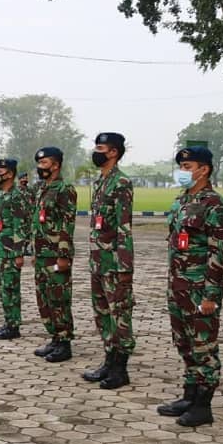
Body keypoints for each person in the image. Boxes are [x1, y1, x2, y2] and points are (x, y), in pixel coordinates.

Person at [158, 146, 223, 427]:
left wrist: (211, 293)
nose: (183, 171)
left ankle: (203, 405)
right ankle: (189, 394)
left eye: (188, 167)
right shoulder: (180, 201)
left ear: (204, 169)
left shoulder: (215, 204)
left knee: (203, 345)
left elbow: (217, 251)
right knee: (184, 343)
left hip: (201, 287)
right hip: (178, 286)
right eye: (182, 166)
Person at [81, 133, 135, 389]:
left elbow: (124, 227)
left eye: (100, 148)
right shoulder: (101, 181)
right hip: (98, 261)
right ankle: (108, 360)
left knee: (119, 314)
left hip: (114, 262)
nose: (96, 152)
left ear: (113, 152)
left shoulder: (121, 182)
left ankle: (120, 368)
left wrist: (125, 266)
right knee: (102, 314)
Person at [30, 146, 77, 363]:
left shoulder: (64, 189)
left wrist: (64, 255)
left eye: (44, 163)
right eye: (39, 163)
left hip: (56, 254)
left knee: (59, 298)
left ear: (56, 165)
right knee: (44, 298)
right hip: (41, 253)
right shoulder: (42, 188)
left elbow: (68, 224)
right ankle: (55, 337)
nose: (40, 167)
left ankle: (64, 341)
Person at [0, 158, 28, 340]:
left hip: (11, 250)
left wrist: (19, 252)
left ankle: (14, 325)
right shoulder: (0, 195)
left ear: (10, 174)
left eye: (0, 172)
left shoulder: (16, 196)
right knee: (3, 286)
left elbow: (20, 225)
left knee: (11, 288)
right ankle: (7, 321)